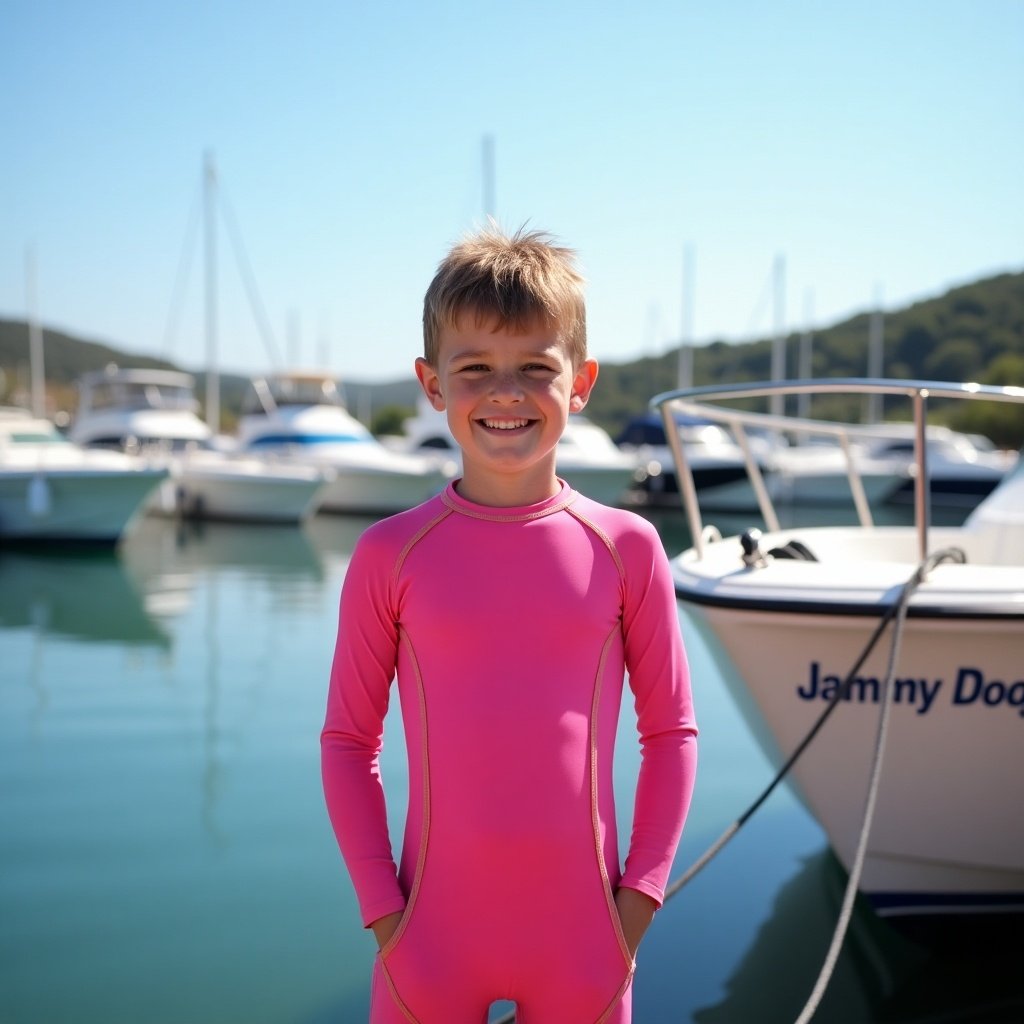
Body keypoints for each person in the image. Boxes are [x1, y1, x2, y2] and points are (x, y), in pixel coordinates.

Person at [321, 225, 698, 1024]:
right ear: (431, 384)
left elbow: (669, 733)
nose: (506, 393)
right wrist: (385, 916)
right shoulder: (390, 553)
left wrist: (637, 906)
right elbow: (350, 743)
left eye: (536, 368)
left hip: (586, 946)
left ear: (582, 381)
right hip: (426, 945)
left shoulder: (627, 547)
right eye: (475, 370)